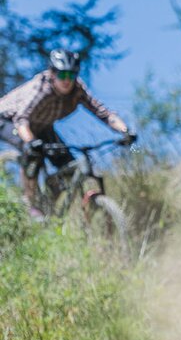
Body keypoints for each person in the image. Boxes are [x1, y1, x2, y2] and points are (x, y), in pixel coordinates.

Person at [0, 49, 136, 219]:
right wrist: (31, 142)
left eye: (71, 75)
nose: (66, 80)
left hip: (42, 125)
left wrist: (125, 131)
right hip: (8, 120)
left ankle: (47, 208)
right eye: (62, 75)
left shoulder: (77, 90)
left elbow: (103, 113)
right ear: (52, 73)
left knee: (69, 167)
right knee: (32, 153)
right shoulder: (41, 90)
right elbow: (21, 120)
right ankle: (29, 205)